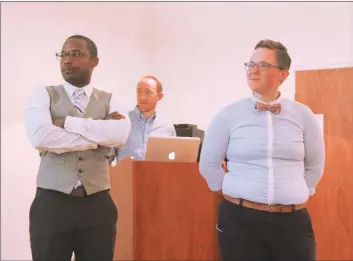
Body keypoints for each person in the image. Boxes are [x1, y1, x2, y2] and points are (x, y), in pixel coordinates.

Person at [199, 39, 325, 261]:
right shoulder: (228, 115)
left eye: (263, 65)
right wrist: (231, 190)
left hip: (292, 222)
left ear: (283, 74)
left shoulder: (303, 115)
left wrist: (296, 192)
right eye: (250, 64)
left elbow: (315, 165)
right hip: (239, 220)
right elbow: (209, 164)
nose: (253, 71)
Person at [25, 35, 131, 261]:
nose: (67, 60)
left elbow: (120, 134)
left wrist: (68, 123)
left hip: (98, 205)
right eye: (63, 55)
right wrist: (98, 138)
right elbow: (42, 137)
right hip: (51, 204)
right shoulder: (43, 94)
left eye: (75, 54)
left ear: (94, 61)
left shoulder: (111, 99)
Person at [112, 75, 176, 163]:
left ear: (159, 97)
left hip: (156, 176)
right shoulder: (121, 120)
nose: (142, 97)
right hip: (127, 176)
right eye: (139, 92)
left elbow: (173, 159)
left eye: (148, 92)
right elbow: (106, 158)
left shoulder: (167, 127)